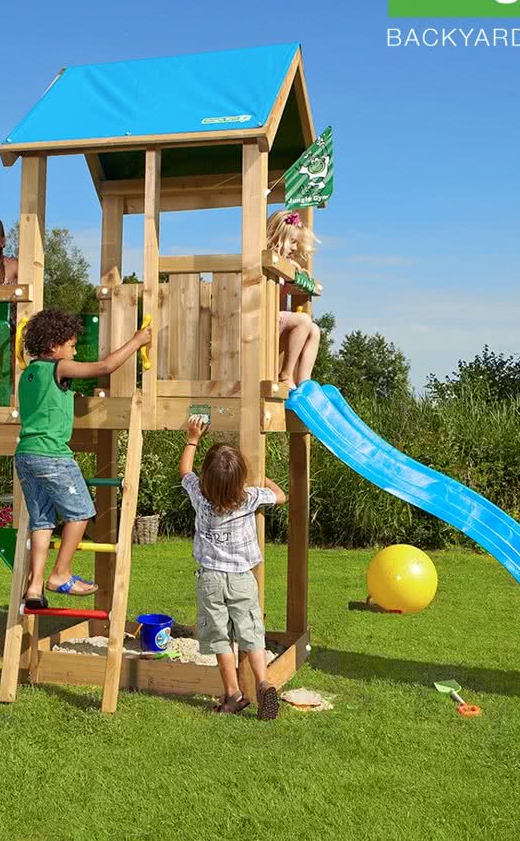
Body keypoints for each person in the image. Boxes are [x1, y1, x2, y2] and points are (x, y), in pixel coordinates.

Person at [16, 309, 152, 608]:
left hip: (26, 455)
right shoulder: (60, 368)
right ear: (54, 346)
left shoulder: (28, 372)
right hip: (52, 456)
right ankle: (60, 574)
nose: (74, 351)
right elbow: (105, 366)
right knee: (81, 513)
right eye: (72, 345)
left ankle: (35, 587)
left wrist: (69, 401)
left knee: (42, 521)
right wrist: (137, 340)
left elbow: (46, 404)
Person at [179, 414, 286, 719]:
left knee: (219, 637)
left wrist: (193, 438)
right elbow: (281, 496)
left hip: (210, 579)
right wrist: (257, 476)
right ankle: (264, 683)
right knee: (251, 630)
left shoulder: (200, 496)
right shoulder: (249, 498)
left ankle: (233, 694)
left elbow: (185, 470)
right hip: (241, 578)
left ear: (206, 480)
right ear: (241, 481)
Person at [266, 209, 320, 389]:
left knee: (314, 330)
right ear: (276, 235)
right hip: (263, 319)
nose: (295, 248)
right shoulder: (266, 260)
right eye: (292, 242)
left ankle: (304, 382)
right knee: (303, 320)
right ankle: (285, 375)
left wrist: (297, 274)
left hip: (275, 320)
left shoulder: (285, 265)